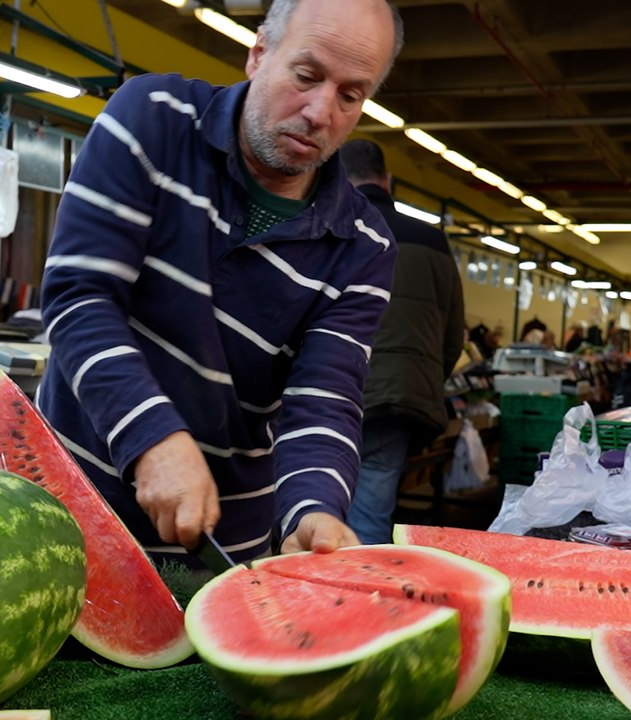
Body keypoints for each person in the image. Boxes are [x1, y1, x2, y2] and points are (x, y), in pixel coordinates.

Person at [37, 0, 404, 565]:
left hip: (222, 542)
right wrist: (152, 437)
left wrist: (313, 509)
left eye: (351, 95)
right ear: (259, 53)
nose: (319, 111)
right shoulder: (152, 117)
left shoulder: (363, 245)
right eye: (306, 76)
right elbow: (79, 296)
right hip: (65, 498)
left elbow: (323, 399)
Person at [338, 139, 464, 545]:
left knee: (309, 504)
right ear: (387, 180)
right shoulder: (433, 241)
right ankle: (364, 601)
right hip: (401, 397)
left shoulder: (330, 224)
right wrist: (423, 377)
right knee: (372, 508)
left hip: (335, 389)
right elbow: (452, 336)